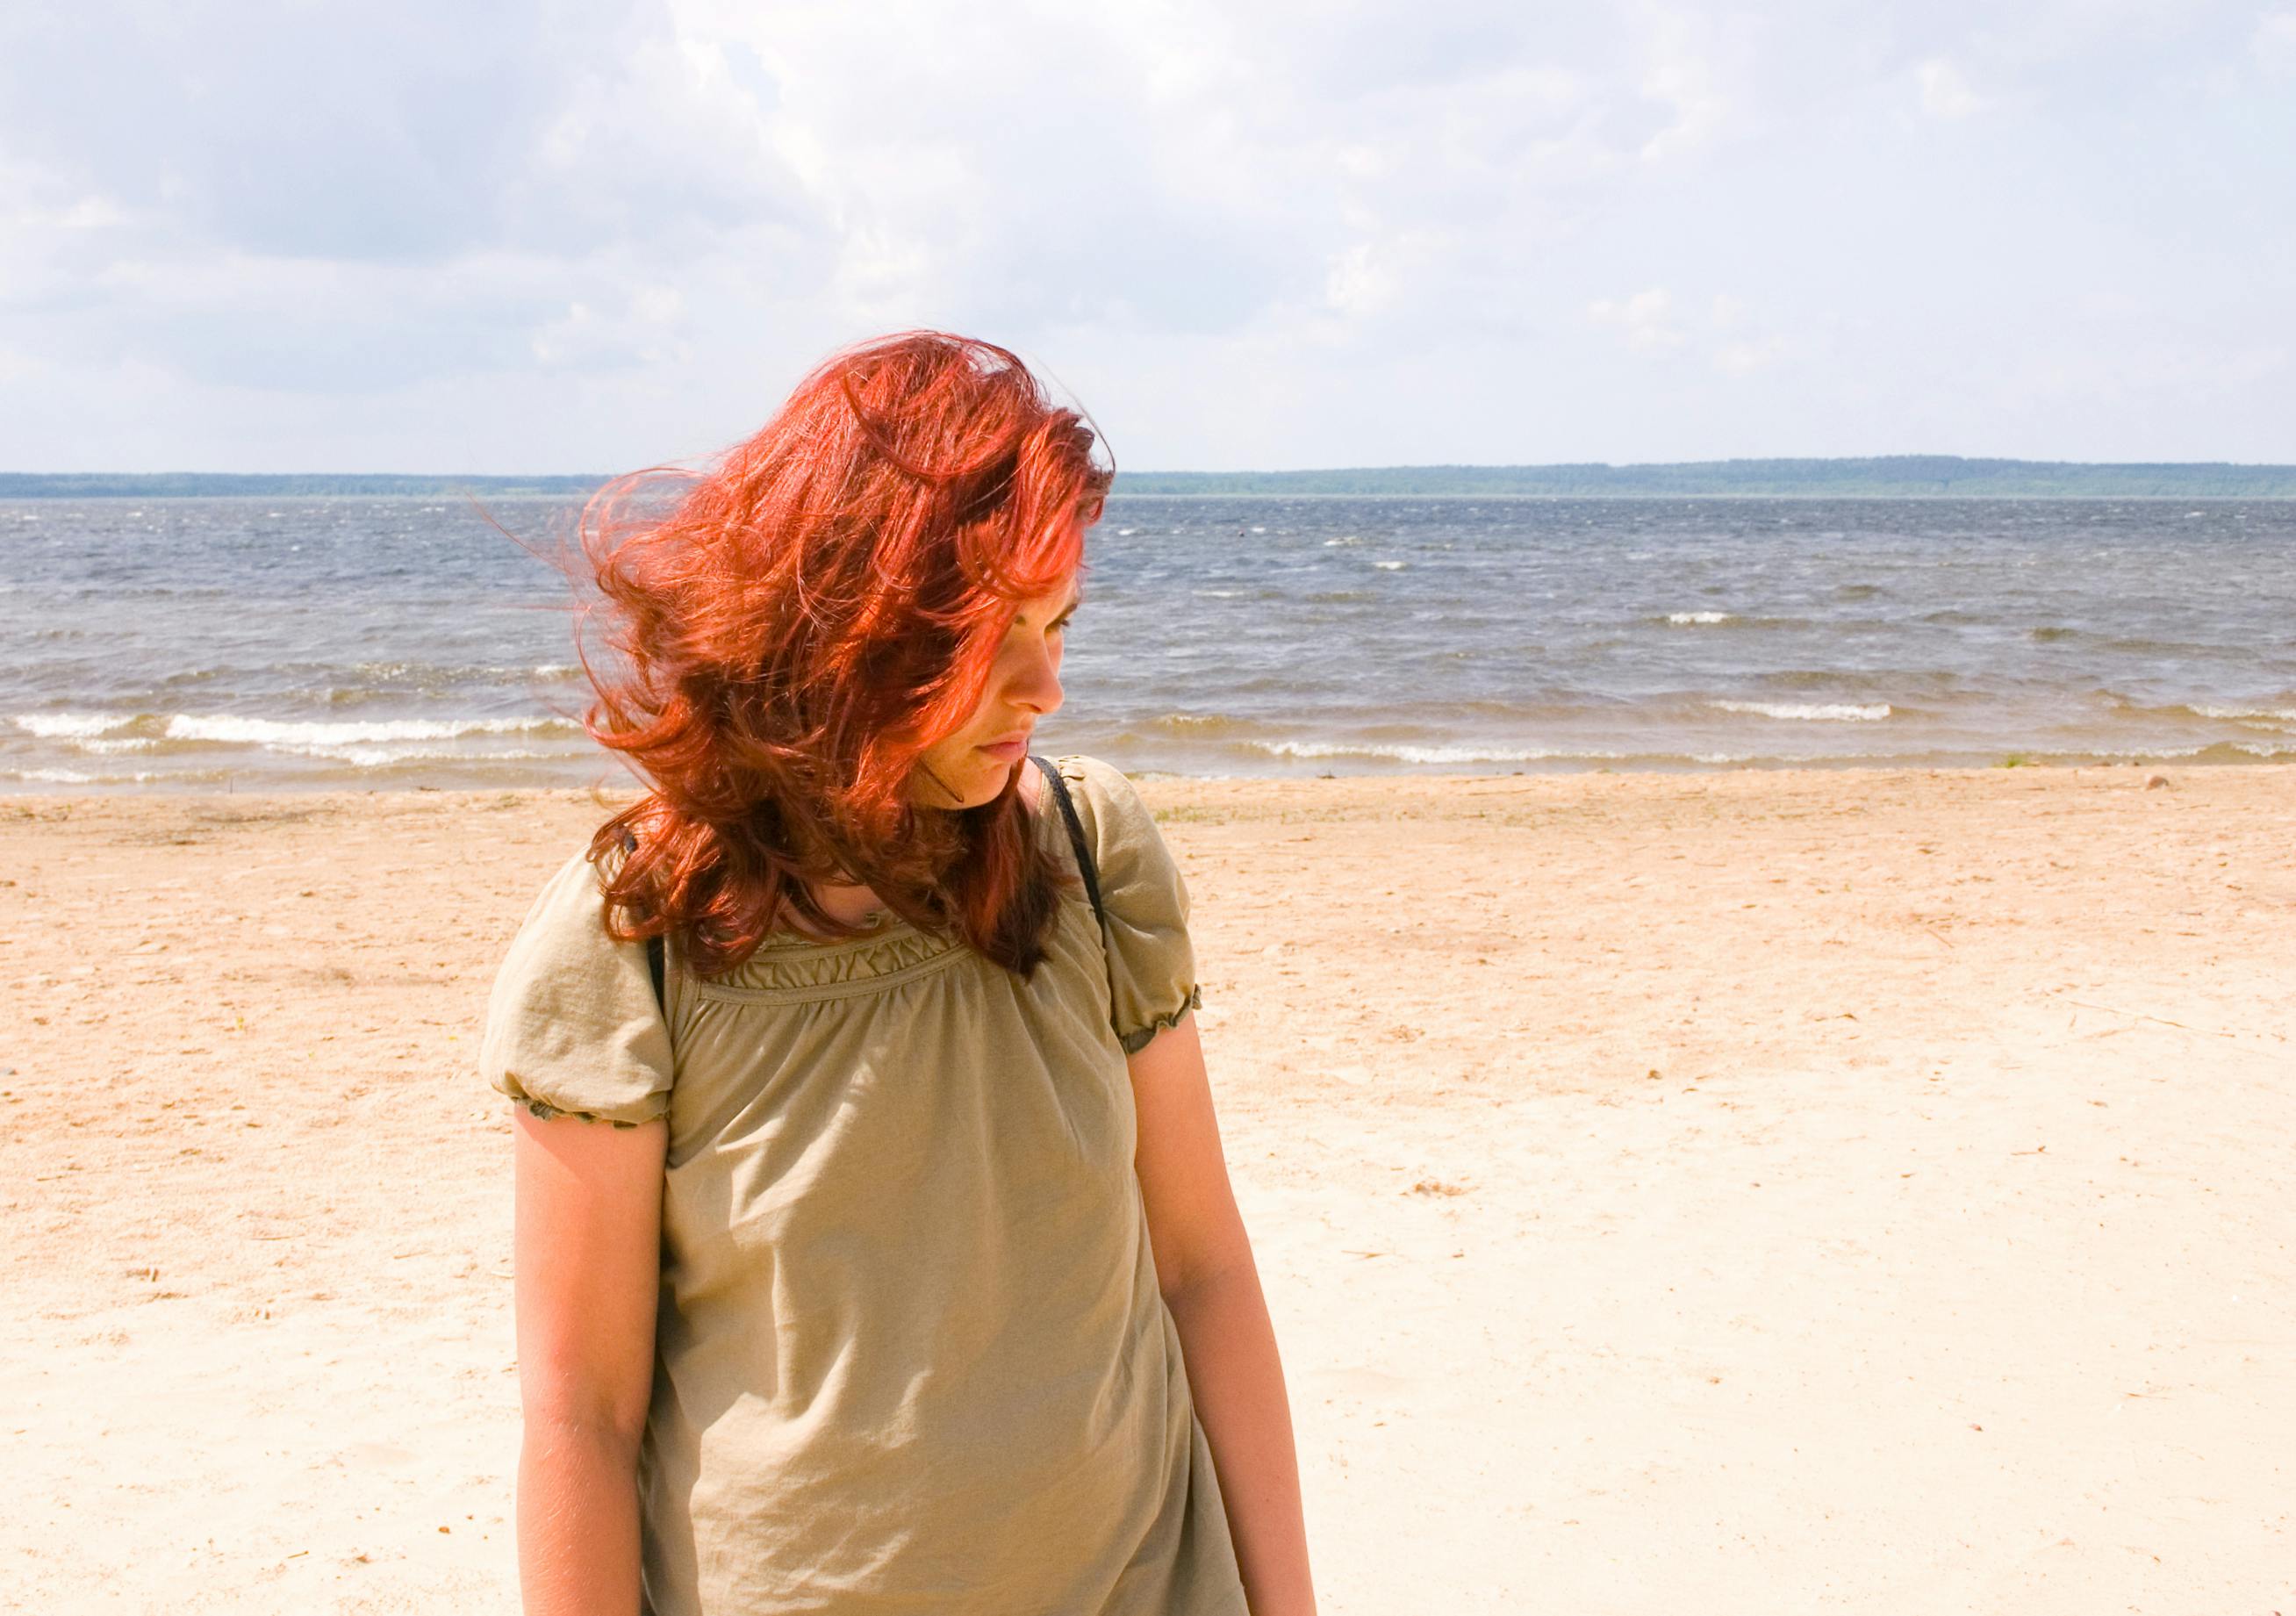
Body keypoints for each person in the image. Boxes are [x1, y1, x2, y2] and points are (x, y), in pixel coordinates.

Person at [478, 331, 1317, 1615]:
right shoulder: (630, 947)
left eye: (1059, 623)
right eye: (995, 634)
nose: (1046, 684)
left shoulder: (1090, 858)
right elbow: (581, 1414)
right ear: (859, 616)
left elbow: (1201, 1266)